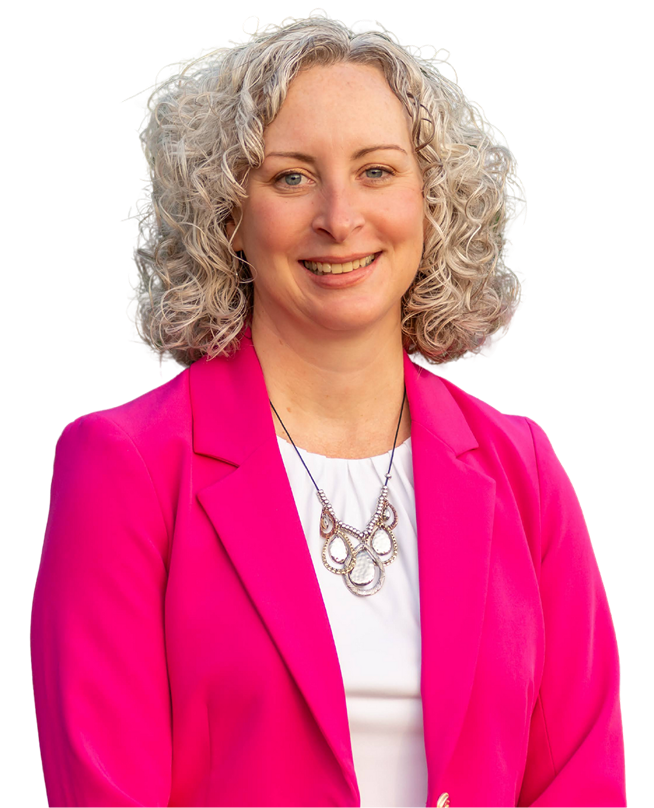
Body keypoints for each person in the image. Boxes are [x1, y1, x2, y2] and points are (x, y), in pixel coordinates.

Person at [29, 10, 626, 808]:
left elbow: (579, 780)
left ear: (432, 201)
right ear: (228, 214)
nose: (340, 218)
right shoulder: (125, 464)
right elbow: (103, 791)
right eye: (291, 177)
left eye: (377, 171)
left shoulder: (525, 470)